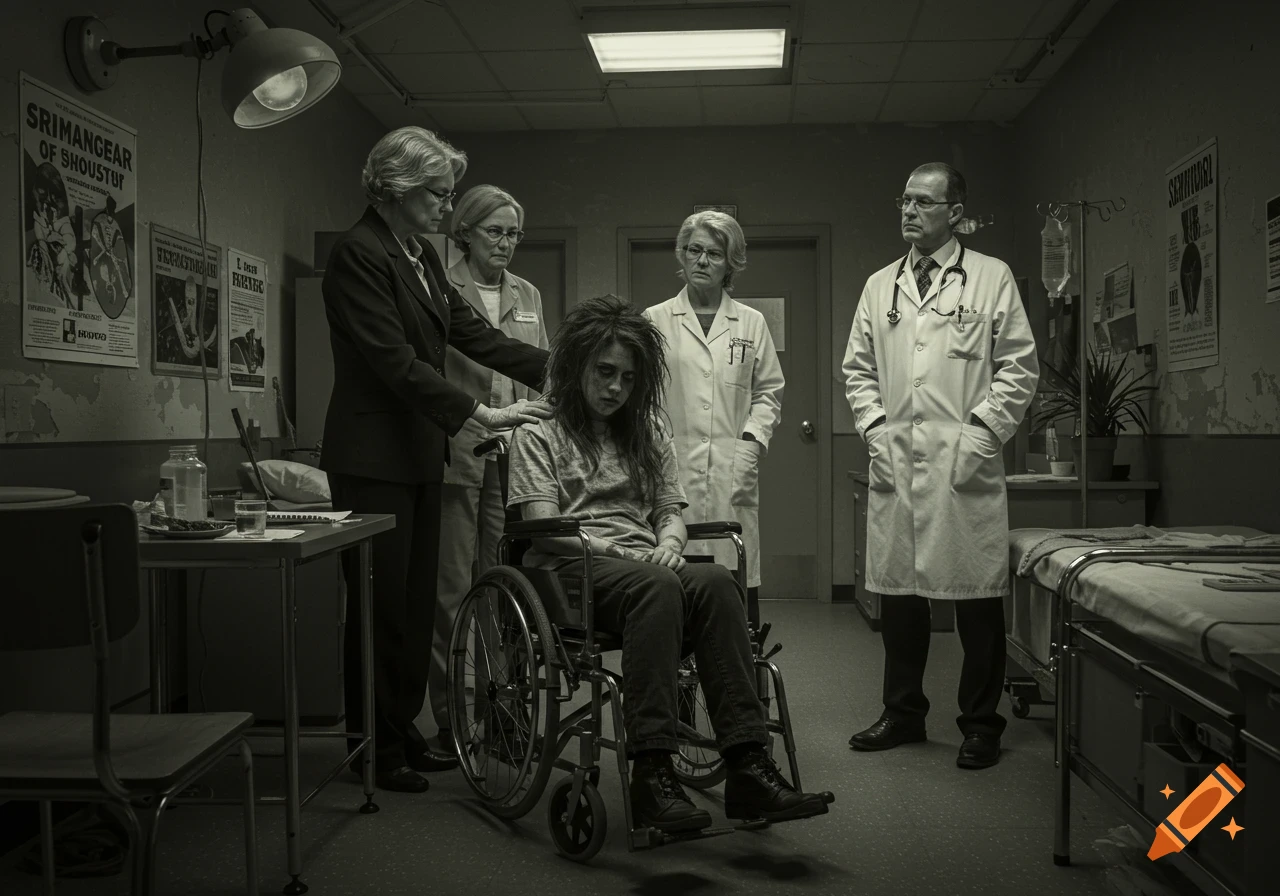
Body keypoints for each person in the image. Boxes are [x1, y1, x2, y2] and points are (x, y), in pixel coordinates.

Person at [508, 295, 829, 832]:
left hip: (643, 564)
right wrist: (623, 553)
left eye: (628, 378)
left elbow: (669, 511)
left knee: (716, 581)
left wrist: (673, 544)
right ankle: (651, 771)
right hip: (571, 569)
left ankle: (748, 765)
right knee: (658, 586)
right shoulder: (539, 431)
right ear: (575, 367)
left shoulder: (647, 428)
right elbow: (544, 527)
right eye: (604, 372)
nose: (616, 387)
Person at [321, 127, 552, 793]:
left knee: (417, 606)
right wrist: (478, 414)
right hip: (372, 459)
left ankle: (405, 729)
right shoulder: (358, 256)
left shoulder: (418, 255)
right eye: (438, 192)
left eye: (451, 193)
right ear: (396, 187)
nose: (447, 206)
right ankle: (374, 745)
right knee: (380, 608)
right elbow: (395, 363)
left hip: (421, 452)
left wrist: (568, 368)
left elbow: (477, 335)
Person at [841, 162, 1038, 770]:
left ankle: (981, 723)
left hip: (963, 461)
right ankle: (903, 713)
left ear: (955, 213)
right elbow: (858, 370)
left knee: (978, 600)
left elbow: (1019, 365)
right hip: (898, 460)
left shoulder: (990, 277)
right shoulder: (880, 285)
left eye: (923, 202)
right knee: (901, 598)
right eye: (903, 200)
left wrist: (981, 434)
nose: (907, 211)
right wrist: (875, 428)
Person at [431, 185, 549, 750]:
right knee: (452, 591)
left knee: (505, 589)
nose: (506, 244)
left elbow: (537, 367)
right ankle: (455, 717)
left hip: (512, 459)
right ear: (466, 232)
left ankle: (502, 713)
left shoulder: (528, 293)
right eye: (495, 232)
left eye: (514, 234)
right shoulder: (438, 284)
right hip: (458, 452)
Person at [643, 212, 783, 624]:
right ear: (682, 255)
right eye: (694, 250)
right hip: (670, 465)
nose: (702, 261)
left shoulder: (751, 323)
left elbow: (769, 392)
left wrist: (751, 442)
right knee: (671, 582)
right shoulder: (654, 319)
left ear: (731, 262)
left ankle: (736, 678)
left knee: (733, 580)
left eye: (714, 254)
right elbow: (643, 396)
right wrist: (656, 443)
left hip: (730, 470)